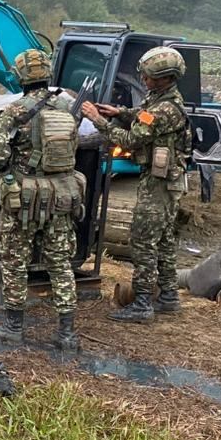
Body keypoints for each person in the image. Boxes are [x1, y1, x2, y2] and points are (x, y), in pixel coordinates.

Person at [0, 49, 83, 353]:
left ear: (20, 77)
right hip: (60, 198)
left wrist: (7, 176)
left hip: (24, 200)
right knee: (60, 263)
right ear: (48, 75)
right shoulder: (67, 108)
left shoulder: (15, 111)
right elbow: (73, 149)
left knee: (14, 261)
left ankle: (13, 328)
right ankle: (67, 333)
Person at [81, 47, 192, 323]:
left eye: (148, 77)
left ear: (165, 78)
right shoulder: (160, 98)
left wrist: (98, 121)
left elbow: (132, 140)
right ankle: (168, 296)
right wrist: (119, 112)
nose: (143, 80)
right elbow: (142, 115)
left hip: (159, 184)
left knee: (143, 241)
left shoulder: (166, 108)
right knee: (164, 241)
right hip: (164, 181)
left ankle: (142, 303)